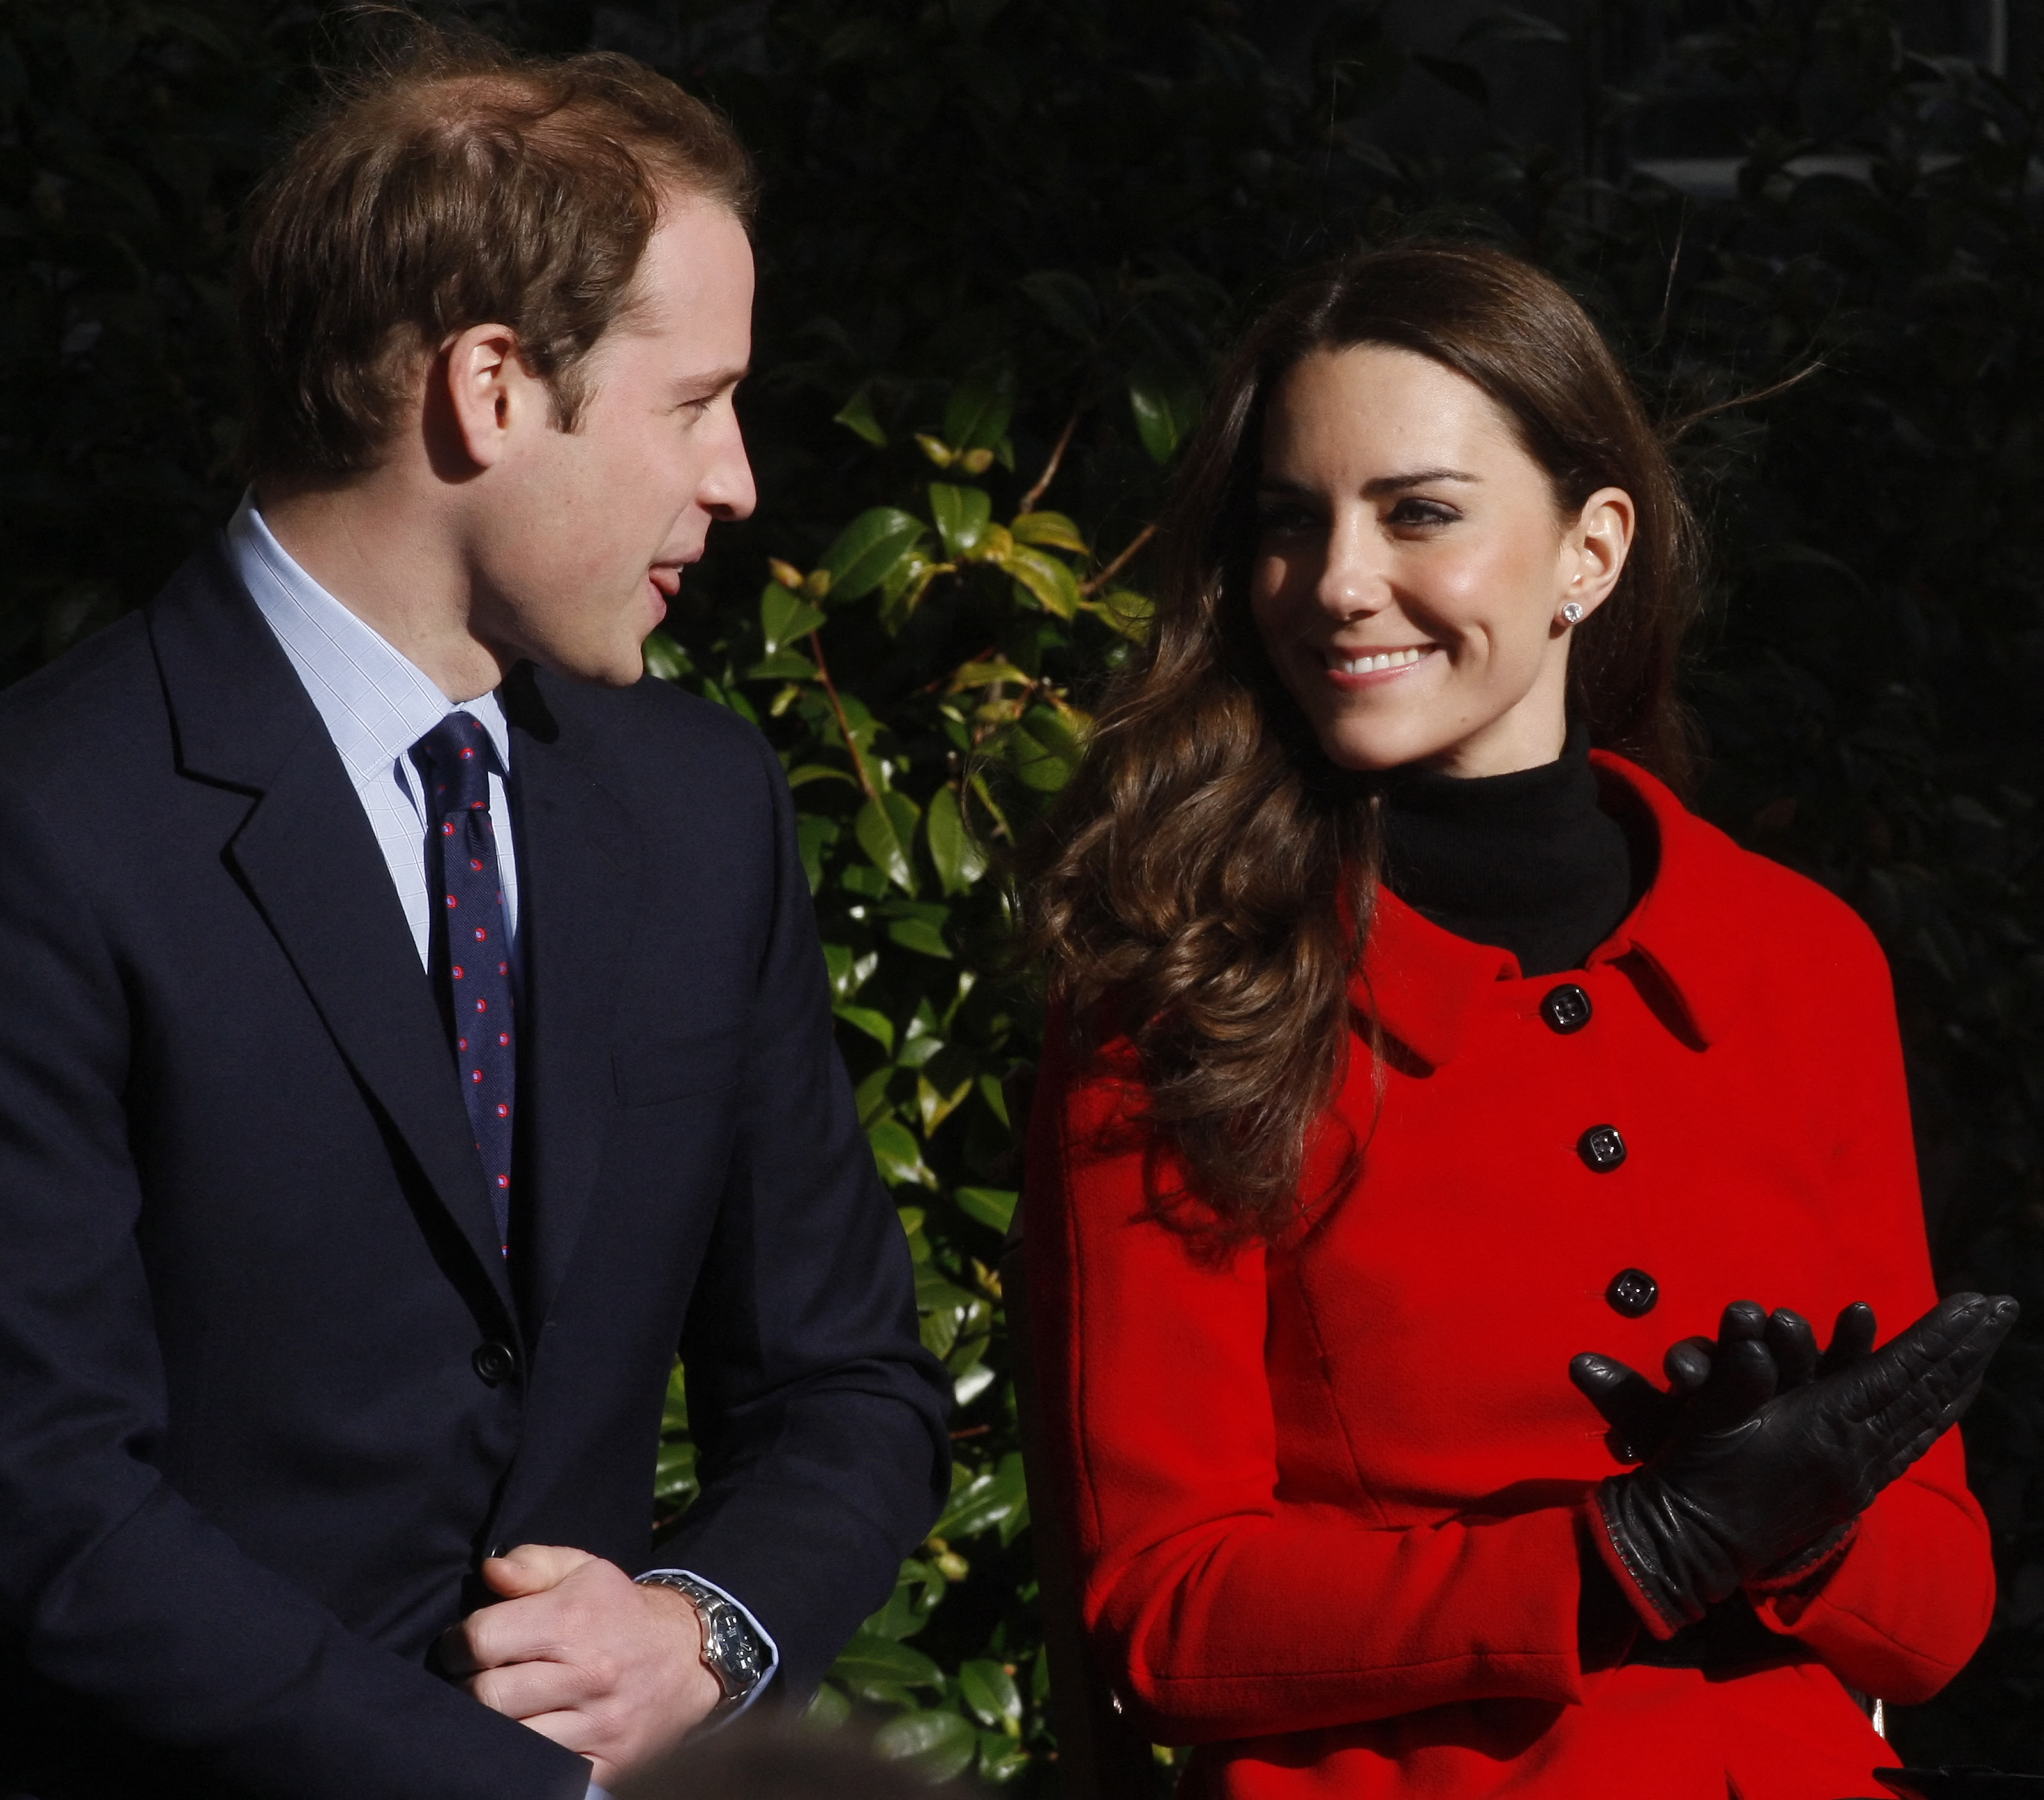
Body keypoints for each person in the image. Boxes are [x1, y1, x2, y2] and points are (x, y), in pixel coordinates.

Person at [0, 29, 949, 1800]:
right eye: (696, 402)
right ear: (492, 387)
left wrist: (702, 1631)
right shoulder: (53, 822)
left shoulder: (703, 807)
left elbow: (849, 1388)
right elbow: (43, 1492)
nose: (739, 479)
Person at [1018, 241, 2018, 1800]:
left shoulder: (1800, 961)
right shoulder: (1182, 986)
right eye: (1291, 521)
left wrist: (1811, 1526)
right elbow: (1162, 1611)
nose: (1339, 581)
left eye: (1419, 511)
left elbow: (1942, 1619)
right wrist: (1626, 1554)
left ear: (1589, 552)